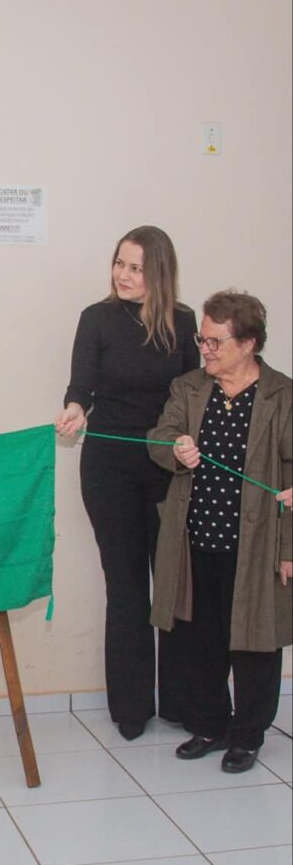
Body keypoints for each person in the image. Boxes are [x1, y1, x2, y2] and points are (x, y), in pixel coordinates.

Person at [55, 226, 199, 740]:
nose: (124, 275)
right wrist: (75, 409)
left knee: (173, 587)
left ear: (158, 273)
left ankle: (181, 703)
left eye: (136, 267)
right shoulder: (95, 319)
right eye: (119, 263)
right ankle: (131, 707)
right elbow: (81, 385)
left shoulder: (183, 322)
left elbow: (193, 395)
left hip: (166, 469)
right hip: (109, 469)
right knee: (127, 587)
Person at [149, 290, 291, 772]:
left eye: (216, 341)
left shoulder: (282, 395)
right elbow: (159, 437)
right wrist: (175, 447)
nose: (205, 349)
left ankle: (247, 736)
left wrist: (289, 547)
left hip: (257, 546)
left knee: (255, 641)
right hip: (195, 541)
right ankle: (209, 724)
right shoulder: (188, 388)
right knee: (200, 639)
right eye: (202, 339)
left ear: (248, 343)